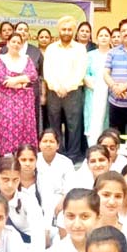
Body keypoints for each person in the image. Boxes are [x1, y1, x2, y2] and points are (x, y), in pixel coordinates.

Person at [44, 16, 88, 163]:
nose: (67, 32)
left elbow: (80, 71)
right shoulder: (51, 48)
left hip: (73, 92)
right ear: (59, 30)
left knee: (73, 125)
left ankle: (73, 156)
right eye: (64, 29)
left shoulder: (80, 49)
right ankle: (58, 155)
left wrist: (67, 87)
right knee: (54, 123)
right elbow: (47, 71)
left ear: (73, 31)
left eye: (69, 29)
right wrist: (57, 87)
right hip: (53, 91)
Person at [0, 156, 45, 252]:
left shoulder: (27, 199)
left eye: (15, 180)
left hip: (25, 248)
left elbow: (38, 231)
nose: (10, 185)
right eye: (5, 179)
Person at [0, 33, 38, 156]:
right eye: (13, 41)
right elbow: (2, 79)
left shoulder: (26, 59)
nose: (16, 44)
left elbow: (33, 75)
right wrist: (23, 80)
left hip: (25, 103)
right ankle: (8, 158)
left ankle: (25, 157)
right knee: (8, 128)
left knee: (25, 129)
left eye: (19, 42)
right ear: (7, 43)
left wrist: (14, 80)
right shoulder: (0, 59)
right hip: (6, 102)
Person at [0, 22, 44, 135]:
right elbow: (0, 75)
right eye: (20, 29)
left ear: (28, 34)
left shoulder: (35, 51)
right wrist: (21, 83)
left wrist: (43, 94)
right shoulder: (4, 51)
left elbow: (39, 75)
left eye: (25, 30)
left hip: (30, 96)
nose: (22, 31)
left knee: (28, 125)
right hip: (8, 98)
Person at [84, 27, 113, 147]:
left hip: (110, 93)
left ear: (110, 38)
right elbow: (84, 73)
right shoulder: (90, 55)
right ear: (96, 38)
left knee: (106, 120)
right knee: (92, 121)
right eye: (101, 35)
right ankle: (92, 148)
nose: (104, 38)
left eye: (106, 35)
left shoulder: (114, 54)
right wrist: (91, 83)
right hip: (92, 93)